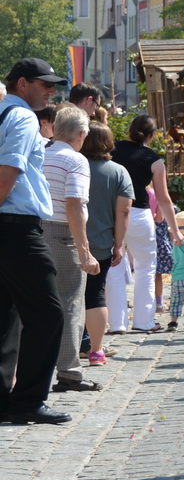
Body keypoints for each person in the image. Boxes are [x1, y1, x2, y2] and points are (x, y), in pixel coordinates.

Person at [0, 58, 73, 425]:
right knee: (47, 315)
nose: (51, 90)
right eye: (45, 84)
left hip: (8, 225)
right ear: (22, 83)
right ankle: (28, 400)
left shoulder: (1, 112)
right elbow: (9, 170)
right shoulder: (24, 117)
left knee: (5, 317)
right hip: (15, 226)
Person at [42, 105, 100, 392]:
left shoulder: (41, 153)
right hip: (63, 235)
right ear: (80, 134)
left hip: (33, 232)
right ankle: (69, 372)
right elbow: (74, 204)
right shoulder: (75, 160)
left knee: (36, 304)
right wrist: (85, 250)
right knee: (71, 304)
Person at [110, 114, 183, 334]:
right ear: (151, 135)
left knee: (114, 266)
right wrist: (175, 230)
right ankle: (144, 321)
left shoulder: (113, 150)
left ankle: (117, 323)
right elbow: (163, 198)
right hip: (139, 213)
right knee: (145, 267)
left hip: (112, 212)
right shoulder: (154, 159)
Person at [81, 123, 131, 368]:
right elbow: (123, 212)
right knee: (95, 295)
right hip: (100, 244)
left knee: (68, 297)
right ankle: (96, 351)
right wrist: (119, 245)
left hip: (67, 242)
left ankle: (68, 348)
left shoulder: (73, 165)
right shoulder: (118, 172)